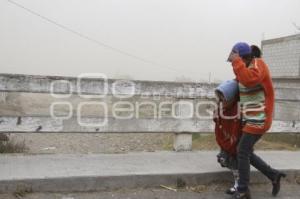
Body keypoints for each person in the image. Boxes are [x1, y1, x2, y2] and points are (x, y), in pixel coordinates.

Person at [227, 42, 286, 199]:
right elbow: (240, 82)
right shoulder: (244, 68)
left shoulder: (259, 64)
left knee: (242, 151)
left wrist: (237, 62)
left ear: (244, 58)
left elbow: (249, 80)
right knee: (246, 152)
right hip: (250, 119)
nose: (235, 65)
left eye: (237, 60)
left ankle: (243, 189)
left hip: (260, 118)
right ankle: (273, 175)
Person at [214, 79, 242, 195]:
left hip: (235, 141)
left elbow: (236, 128)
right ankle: (273, 175)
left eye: (223, 97)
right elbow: (218, 120)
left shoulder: (236, 108)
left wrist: (232, 143)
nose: (221, 100)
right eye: (219, 97)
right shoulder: (222, 106)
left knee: (234, 162)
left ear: (230, 97)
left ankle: (238, 184)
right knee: (224, 160)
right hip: (225, 138)